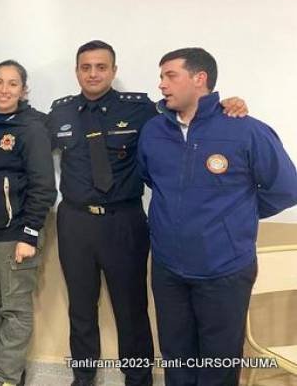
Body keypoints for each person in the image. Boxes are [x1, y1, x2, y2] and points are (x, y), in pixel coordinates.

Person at [48, 40, 249, 386]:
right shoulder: (59, 112)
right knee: (80, 307)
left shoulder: (142, 109)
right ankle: (83, 376)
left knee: (131, 309)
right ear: (77, 71)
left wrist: (228, 104)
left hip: (123, 221)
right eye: (85, 67)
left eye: (101, 66)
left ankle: (138, 378)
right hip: (75, 221)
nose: (93, 73)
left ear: (114, 70)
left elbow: (191, 113)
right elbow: (25, 135)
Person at [137, 47, 297, 386]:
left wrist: (234, 216)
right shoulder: (153, 131)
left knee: (219, 363)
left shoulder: (246, 130)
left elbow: (287, 188)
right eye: (161, 76)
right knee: (176, 356)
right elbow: (152, 179)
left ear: (199, 79)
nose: (162, 84)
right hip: (168, 267)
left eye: (170, 75)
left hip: (224, 268)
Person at [0, 60, 56, 386]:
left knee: (15, 310)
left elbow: (44, 187)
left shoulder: (32, 128)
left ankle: (5, 376)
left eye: (13, 84)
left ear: (23, 89)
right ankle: (10, 367)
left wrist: (29, 234)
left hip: (15, 233)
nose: (4, 89)